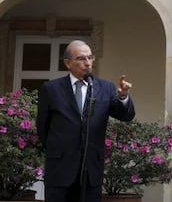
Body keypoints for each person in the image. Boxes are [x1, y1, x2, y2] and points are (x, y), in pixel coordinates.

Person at [36, 40, 136, 202]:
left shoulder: (105, 87)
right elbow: (42, 126)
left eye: (90, 58)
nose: (88, 63)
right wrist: (59, 149)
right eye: (82, 58)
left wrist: (123, 96)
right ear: (68, 63)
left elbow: (126, 116)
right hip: (60, 170)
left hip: (91, 171)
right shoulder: (51, 89)